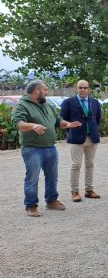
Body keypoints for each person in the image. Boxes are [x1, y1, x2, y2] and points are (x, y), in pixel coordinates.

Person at [11, 80, 82, 217]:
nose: (47, 92)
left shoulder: (47, 105)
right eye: (45, 90)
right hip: (32, 149)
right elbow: (18, 123)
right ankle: (31, 206)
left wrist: (68, 124)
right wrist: (33, 126)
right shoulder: (22, 105)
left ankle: (52, 201)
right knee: (32, 178)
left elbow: (57, 121)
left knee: (52, 176)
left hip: (50, 147)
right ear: (37, 90)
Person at [60, 80, 102, 202]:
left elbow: (98, 119)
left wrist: (92, 129)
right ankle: (75, 192)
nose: (83, 89)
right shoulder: (68, 102)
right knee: (76, 165)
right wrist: (70, 130)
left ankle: (89, 190)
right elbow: (62, 120)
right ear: (76, 89)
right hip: (76, 138)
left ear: (88, 89)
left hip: (92, 137)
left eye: (85, 87)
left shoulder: (94, 102)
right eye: (80, 87)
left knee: (90, 164)